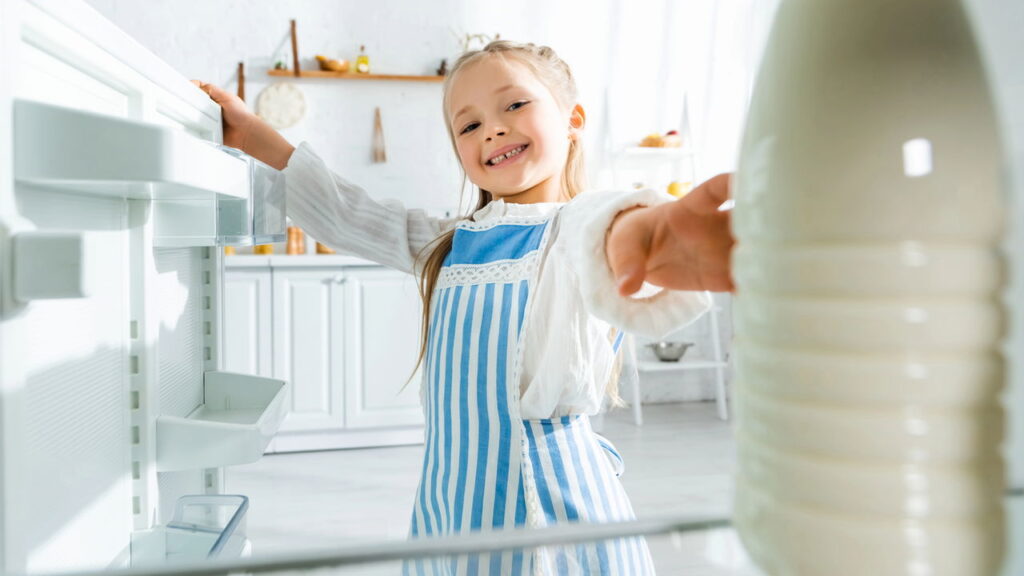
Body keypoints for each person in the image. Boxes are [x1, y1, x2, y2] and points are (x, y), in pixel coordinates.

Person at [196, 40, 725, 576]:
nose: (492, 129)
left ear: (573, 121)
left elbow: (613, 227)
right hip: (451, 509)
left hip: (550, 511)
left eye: (514, 104)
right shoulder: (450, 243)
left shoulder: (576, 228)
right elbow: (345, 212)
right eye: (468, 126)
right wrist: (249, 133)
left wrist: (652, 234)